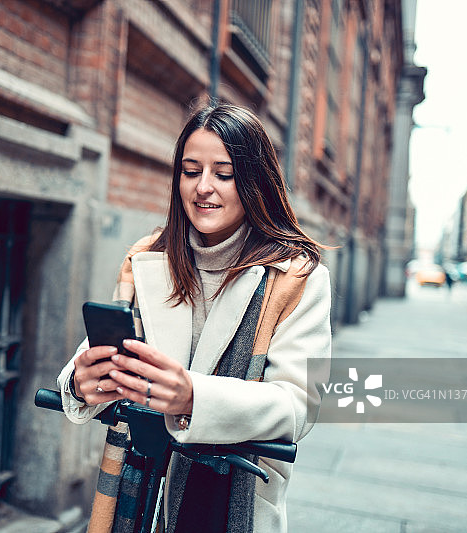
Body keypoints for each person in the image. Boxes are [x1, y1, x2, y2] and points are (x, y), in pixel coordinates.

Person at [57, 102, 332, 533]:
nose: (203, 187)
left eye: (223, 174)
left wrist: (192, 398)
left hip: (231, 500)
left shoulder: (295, 276)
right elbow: (112, 347)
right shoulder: (147, 256)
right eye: (191, 171)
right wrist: (80, 378)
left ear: (254, 180)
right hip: (135, 492)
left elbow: (298, 405)